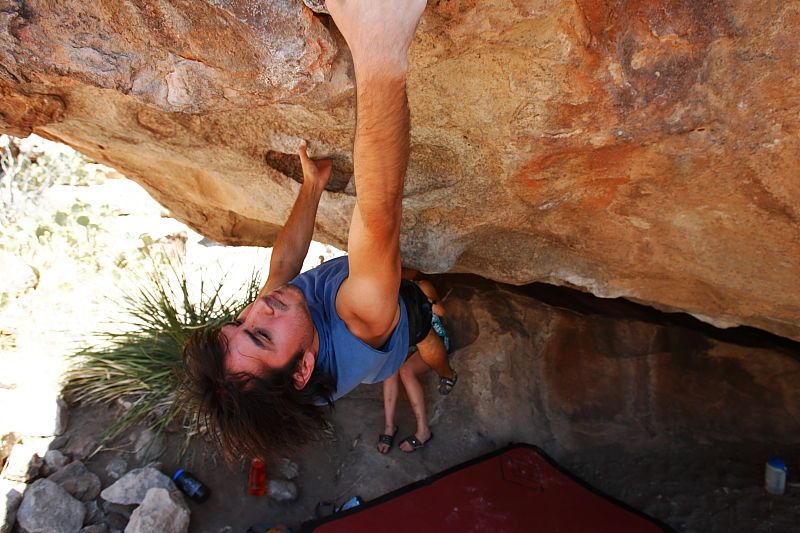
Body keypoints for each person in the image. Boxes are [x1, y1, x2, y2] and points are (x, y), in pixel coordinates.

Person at [181, 0, 456, 462]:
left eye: (239, 322)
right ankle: (447, 371)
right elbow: (379, 216)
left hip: (358, 341)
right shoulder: (360, 318)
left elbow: (283, 266)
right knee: (429, 330)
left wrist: (312, 187)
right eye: (260, 335)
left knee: (399, 279)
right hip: (398, 325)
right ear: (303, 368)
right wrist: (379, 48)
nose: (257, 310)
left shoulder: (275, 331)